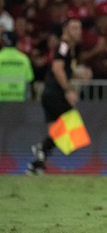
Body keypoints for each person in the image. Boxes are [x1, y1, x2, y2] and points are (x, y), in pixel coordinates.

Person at [28, 18, 84, 175]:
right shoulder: (64, 46)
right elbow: (57, 69)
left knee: (56, 131)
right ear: (65, 30)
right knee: (70, 127)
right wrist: (68, 91)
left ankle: (36, 165)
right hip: (55, 94)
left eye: (79, 28)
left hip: (49, 93)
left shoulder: (68, 48)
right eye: (74, 28)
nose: (78, 31)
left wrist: (79, 76)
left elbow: (63, 70)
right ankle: (41, 148)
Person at [0, 31, 34, 103]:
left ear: (3, 42)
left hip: (1, 100)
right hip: (19, 101)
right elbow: (28, 82)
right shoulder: (24, 59)